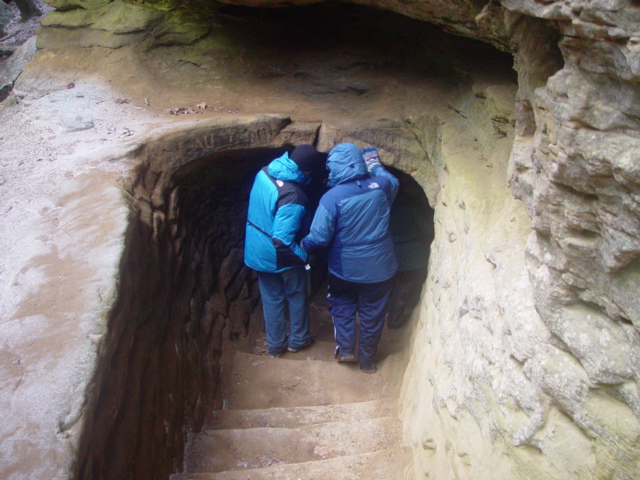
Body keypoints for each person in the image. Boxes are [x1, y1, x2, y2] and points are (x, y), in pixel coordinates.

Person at [301, 143, 399, 374]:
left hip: (345, 270)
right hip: (381, 269)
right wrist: (374, 164)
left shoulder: (331, 198)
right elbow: (392, 180)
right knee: (373, 315)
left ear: (334, 168)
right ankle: (367, 362)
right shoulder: (382, 186)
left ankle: (346, 349)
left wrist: (302, 246)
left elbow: (319, 237)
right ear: (360, 163)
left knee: (342, 305)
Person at [244, 144, 322, 358]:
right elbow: (282, 240)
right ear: (307, 171)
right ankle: (298, 340)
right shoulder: (293, 196)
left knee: (271, 299)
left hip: (257, 250)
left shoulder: (264, 172)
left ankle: (275, 346)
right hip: (281, 256)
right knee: (297, 296)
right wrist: (305, 258)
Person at [386, 189, 433, 329]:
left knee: (390, 285)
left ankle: (386, 314)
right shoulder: (410, 207)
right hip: (412, 256)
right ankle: (394, 320)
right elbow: (428, 229)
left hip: (388, 254)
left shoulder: (382, 208)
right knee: (404, 287)